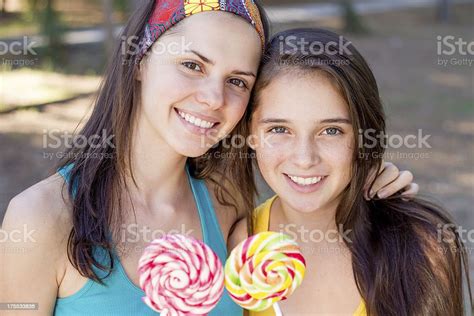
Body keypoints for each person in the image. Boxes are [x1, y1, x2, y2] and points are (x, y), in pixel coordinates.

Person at [1, 1, 418, 314]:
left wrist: (364, 177)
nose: (213, 98)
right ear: (141, 59)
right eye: (192, 65)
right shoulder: (41, 219)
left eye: (237, 80)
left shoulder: (226, 203)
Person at [229, 28, 471, 315]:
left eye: (331, 131)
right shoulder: (239, 248)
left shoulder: (421, 247)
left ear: (362, 136)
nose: (305, 158)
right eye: (279, 129)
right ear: (250, 134)